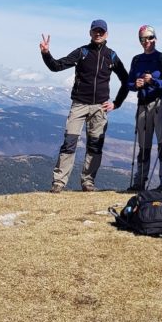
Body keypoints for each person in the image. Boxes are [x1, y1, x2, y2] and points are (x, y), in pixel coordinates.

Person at [39, 19, 129, 192]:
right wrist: (46, 53)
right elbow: (56, 66)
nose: (98, 34)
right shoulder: (82, 52)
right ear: (90, 33)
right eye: (95, 31)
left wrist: (116, 103)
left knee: (95, 145)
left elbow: (126, 80)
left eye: (101, 31)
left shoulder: (111, 56)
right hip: (79, 104)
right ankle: (58, 183)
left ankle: (88, 182)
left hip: (100, 107)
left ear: (106, 34)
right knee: (69, 143)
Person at [127, 25, 162, 191]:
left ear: (155, 38)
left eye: (149, 38)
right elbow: (129, 84)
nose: (146, 41)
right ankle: (140, 181)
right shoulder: (136, 60)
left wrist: (152, 81)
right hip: (143, 104)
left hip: (160, 104)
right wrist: (136, 84)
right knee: (144, 145)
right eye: (142, 39)